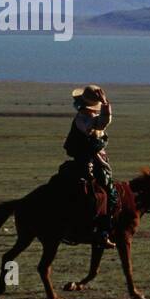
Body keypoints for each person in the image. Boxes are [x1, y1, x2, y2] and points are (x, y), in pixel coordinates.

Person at [63, 84, 117, 248]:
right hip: (88, 161)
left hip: (92, 158)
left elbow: (102, 122)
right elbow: (101, 124)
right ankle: (102, 232)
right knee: (108, 192)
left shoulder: (88, 115)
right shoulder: (83, 118)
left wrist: (105, 103)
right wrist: (105, 104)